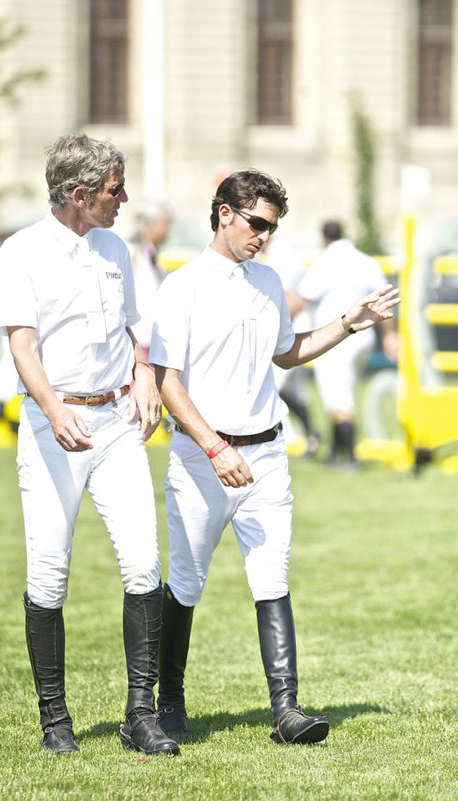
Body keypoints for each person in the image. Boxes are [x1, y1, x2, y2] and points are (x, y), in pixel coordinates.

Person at [149, 169, 400, 746]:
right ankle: (169, 704)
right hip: (201, 459)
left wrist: (348, 324)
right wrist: (213, 447)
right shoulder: (182, 286)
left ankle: (285, 711)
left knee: (272, 576)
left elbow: (287, 354)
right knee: (186, 582)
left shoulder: (267, 280)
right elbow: (167, 382)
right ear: (225, 214)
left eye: (273, 226)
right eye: (258, 223)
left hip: (267, 455)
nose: (265, 235)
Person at [0, 133, 179, 757]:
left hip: (116, 425)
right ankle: (55, 721)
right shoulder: (20, 253)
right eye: (114, 190)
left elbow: (133, 329)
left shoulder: (116, 249)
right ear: (79, 196)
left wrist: (146, 378)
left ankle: (140, 714)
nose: (123, 199)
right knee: (49, 573)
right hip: (53, 427)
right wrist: (52, 408)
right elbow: (22, 346)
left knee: (144, 565)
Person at [295, 221, 399, 465]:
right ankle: (335, 452)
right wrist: (389, 335)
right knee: (344, 392)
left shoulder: (324, 262)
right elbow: (383, 299)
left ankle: (351, 456)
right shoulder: (367, 261)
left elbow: (304, 298)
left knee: (336, 396)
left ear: (325, 238)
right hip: (364, 337)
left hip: (336, 336)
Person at [263, 237, 320, 456]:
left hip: (292, 331)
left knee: (273, 385)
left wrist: (275, 330)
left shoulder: (279, 255)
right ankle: (312, 436)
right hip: (298, 327)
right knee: (295, 391)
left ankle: (288, 439)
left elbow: (291, 300)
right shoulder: (284, 252)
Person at [126, 198, 172, 357]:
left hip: (152, 342)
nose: (169, 229)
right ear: (147, 225)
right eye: (164, 223)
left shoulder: (151, 254)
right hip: (137, 345)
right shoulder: (130, 252)